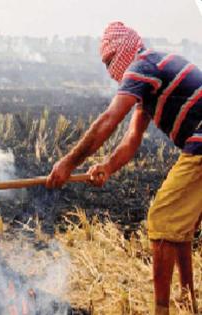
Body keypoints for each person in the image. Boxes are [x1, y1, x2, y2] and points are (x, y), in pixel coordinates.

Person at [46, 22, 201, 315]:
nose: (109, 71)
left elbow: (109, 119)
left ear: (125, 49)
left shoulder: (142, 65)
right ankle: (187, 300)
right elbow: (131, 141)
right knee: (180, 226)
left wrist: (68, 163)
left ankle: (162, 310)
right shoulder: (152, 72)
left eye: (109, 60)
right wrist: (107, 166)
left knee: (161, 220)